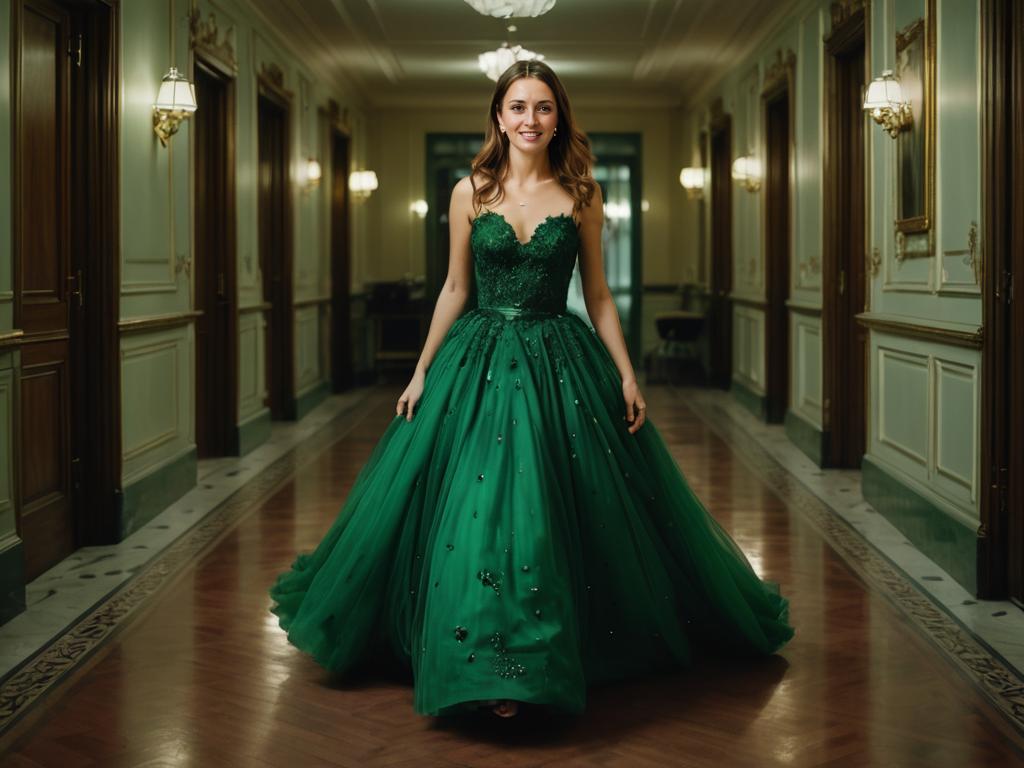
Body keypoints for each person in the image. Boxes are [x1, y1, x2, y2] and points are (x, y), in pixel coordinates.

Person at [269, 60, 793, 721]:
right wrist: (421, 368)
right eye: (518, 106)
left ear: (559, 118)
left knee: (543, 503)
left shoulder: (582, 194)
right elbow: (456, 288)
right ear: (498, 116)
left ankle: (530, 656)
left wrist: (628, 372)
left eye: (543, 107)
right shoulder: (472, 192)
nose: (530, 119)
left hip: (556, 357)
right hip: (477, 361)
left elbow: (598, 295)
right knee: (473, 507)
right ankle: (481, 656)